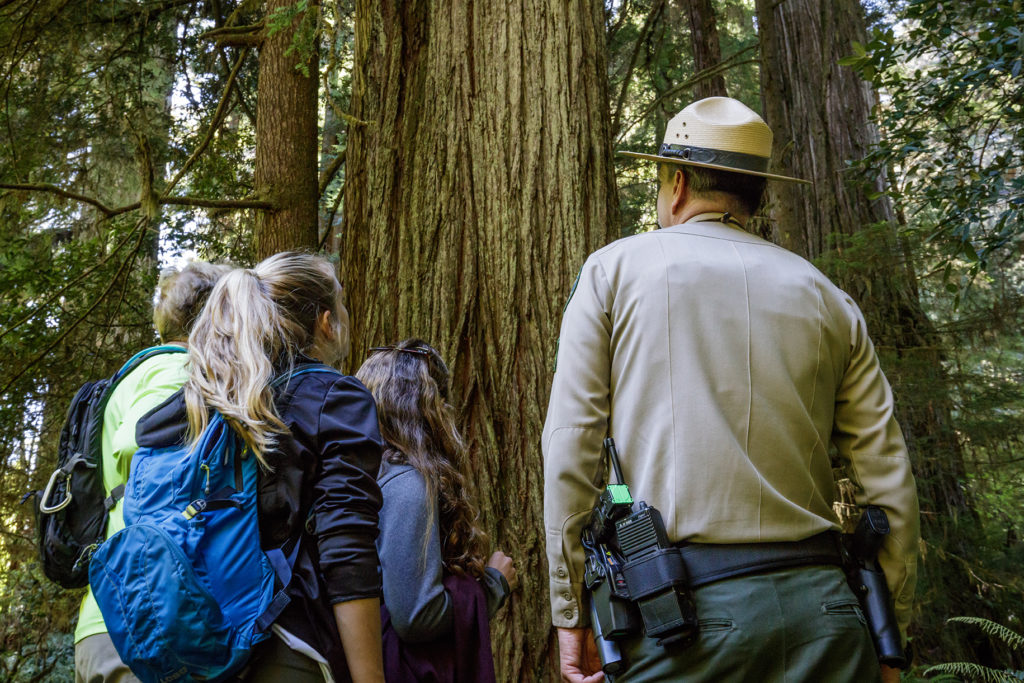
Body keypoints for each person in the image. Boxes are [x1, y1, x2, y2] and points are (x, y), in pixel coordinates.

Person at [542, 97, 920, 682]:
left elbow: (571, 448)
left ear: (678, 184)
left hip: (679, 622)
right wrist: (891, 631)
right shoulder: (826, 296)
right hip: (828, 616)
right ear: (756, 195)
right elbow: (887, 471)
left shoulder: (612, 272)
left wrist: (571, 613)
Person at [134, 252, 386, 683]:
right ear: (326, 321)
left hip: (204, 645)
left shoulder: (206, 403)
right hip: (288, 649)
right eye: (341, 303)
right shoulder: (335, 399)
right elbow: (347, 548)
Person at [75, 260, 231, 683]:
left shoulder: (133, 376)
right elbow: (136, 442)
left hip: (116, 615)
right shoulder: (177, 370)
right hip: (147, 624)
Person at [355, 339, 517, 682]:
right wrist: (492, 586)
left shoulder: (364, 478)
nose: (446, 411)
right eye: (440, 400)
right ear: (424, 407)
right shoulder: (407, 485)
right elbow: (416, 616)